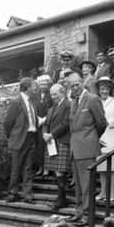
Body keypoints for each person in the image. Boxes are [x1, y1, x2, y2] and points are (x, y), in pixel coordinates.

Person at [67, 72, 107, 226]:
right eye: (72, 86)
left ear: (82, 83)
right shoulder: (73, 102)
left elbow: (102, 123)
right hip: (75, 149)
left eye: (77, 85)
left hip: (87, 148)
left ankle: (87, 215)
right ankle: (79, 212)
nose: (75, 88)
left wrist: (92, 139)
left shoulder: (92, 99)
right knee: (78, 185)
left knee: (87, 185)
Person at [4, 77, 39, 204]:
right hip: (18, 139)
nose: (36, 87)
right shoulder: (16, 101)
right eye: (34, 85)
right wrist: (12, 137)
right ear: (27, 87)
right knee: (16, 168)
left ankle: (28, 196)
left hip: (31, 137)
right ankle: (12, 194)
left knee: (28, 168)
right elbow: (8, 122)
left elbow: (32, 119)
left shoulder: (32, 101)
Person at [95, 77, 114, 202]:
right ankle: (103, 192)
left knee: (112, 168)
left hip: (112, 135)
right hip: (100, 137)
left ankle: (112, 193)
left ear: (110, 89)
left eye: (106, 88)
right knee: (102, 167)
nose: (104, 91)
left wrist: (110, 122)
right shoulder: (96, 102)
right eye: (102, 88)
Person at [42, 83, 71, 211]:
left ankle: (62, 199)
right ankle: (61, 198)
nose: (53, 97)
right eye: (51, 94)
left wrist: (52, 134)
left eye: (55, 94)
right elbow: (47, 123)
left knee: (60, 171)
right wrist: (45, 134)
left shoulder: (68, 105)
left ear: (62, 92)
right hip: (52, 142)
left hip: (62, 141)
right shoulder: (51, 108)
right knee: (56, 170)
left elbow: (66, 123)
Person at [32, 75, 54, 176]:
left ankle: (47, 168)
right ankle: (40, 167)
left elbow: (53, 108)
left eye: (45, 84)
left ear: (48, 84)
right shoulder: (35, 95)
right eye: (41, 84)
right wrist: (37, 118)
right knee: (38, 145)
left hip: (48, 122)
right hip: (37, 123)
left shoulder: (51, 95)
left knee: (46, 145)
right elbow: (32, 108)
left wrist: (45, 119)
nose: (43, 86)